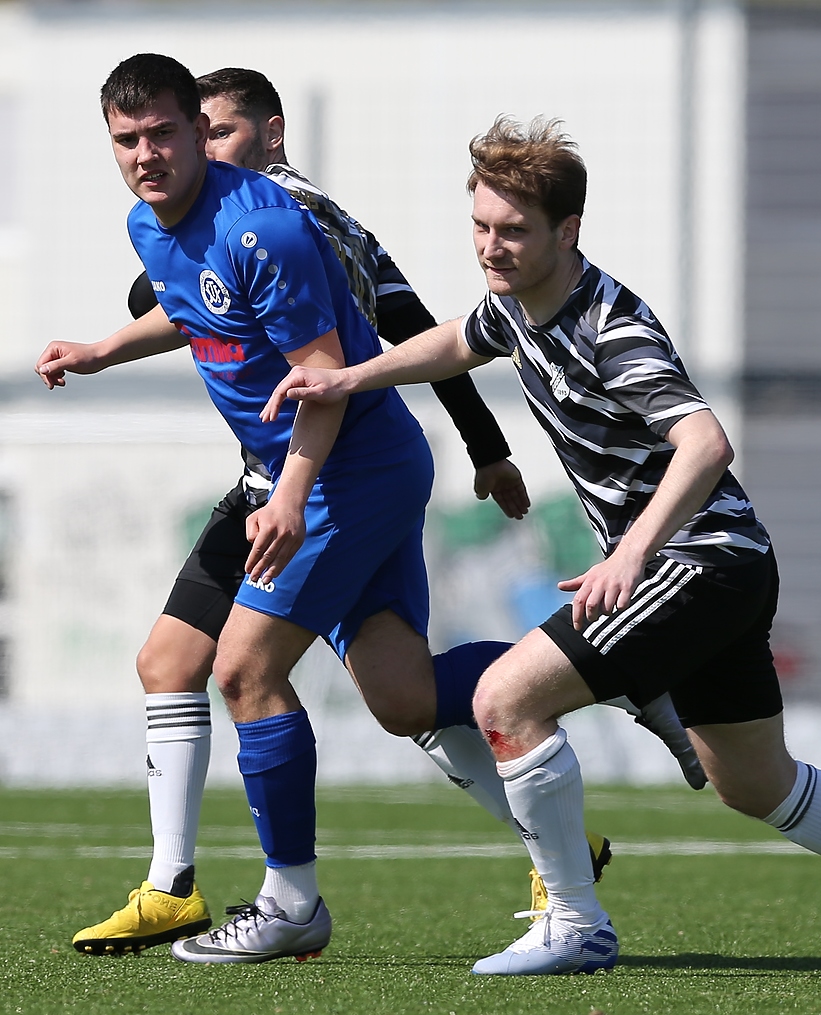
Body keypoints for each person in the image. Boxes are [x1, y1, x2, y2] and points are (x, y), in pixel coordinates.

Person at [264, 116, 821, 977]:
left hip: (696, 560)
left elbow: (706, 442)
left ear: (567, 231)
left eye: (513, 231)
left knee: (506, 698)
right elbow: (457, 341)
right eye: (480, 226)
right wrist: (351, 376)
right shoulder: (513, 305)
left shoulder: (609, 325)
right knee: (755, 783)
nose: (492, 248)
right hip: (725, 566)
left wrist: (630, 553)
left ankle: (575, 921)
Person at [36, 56, 651, 966]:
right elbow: (192, 309)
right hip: (342, 467)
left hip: (343, 470)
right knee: (403, 696)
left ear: (197, 131)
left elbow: (326, 375)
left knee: (243, 670)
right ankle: (601, 668)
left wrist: (289, 495)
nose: (148, 154)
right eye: (127, 140)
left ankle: (291, 903)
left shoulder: (266, 226)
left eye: (166, 132)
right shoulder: (152, 223)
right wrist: (99, 351)